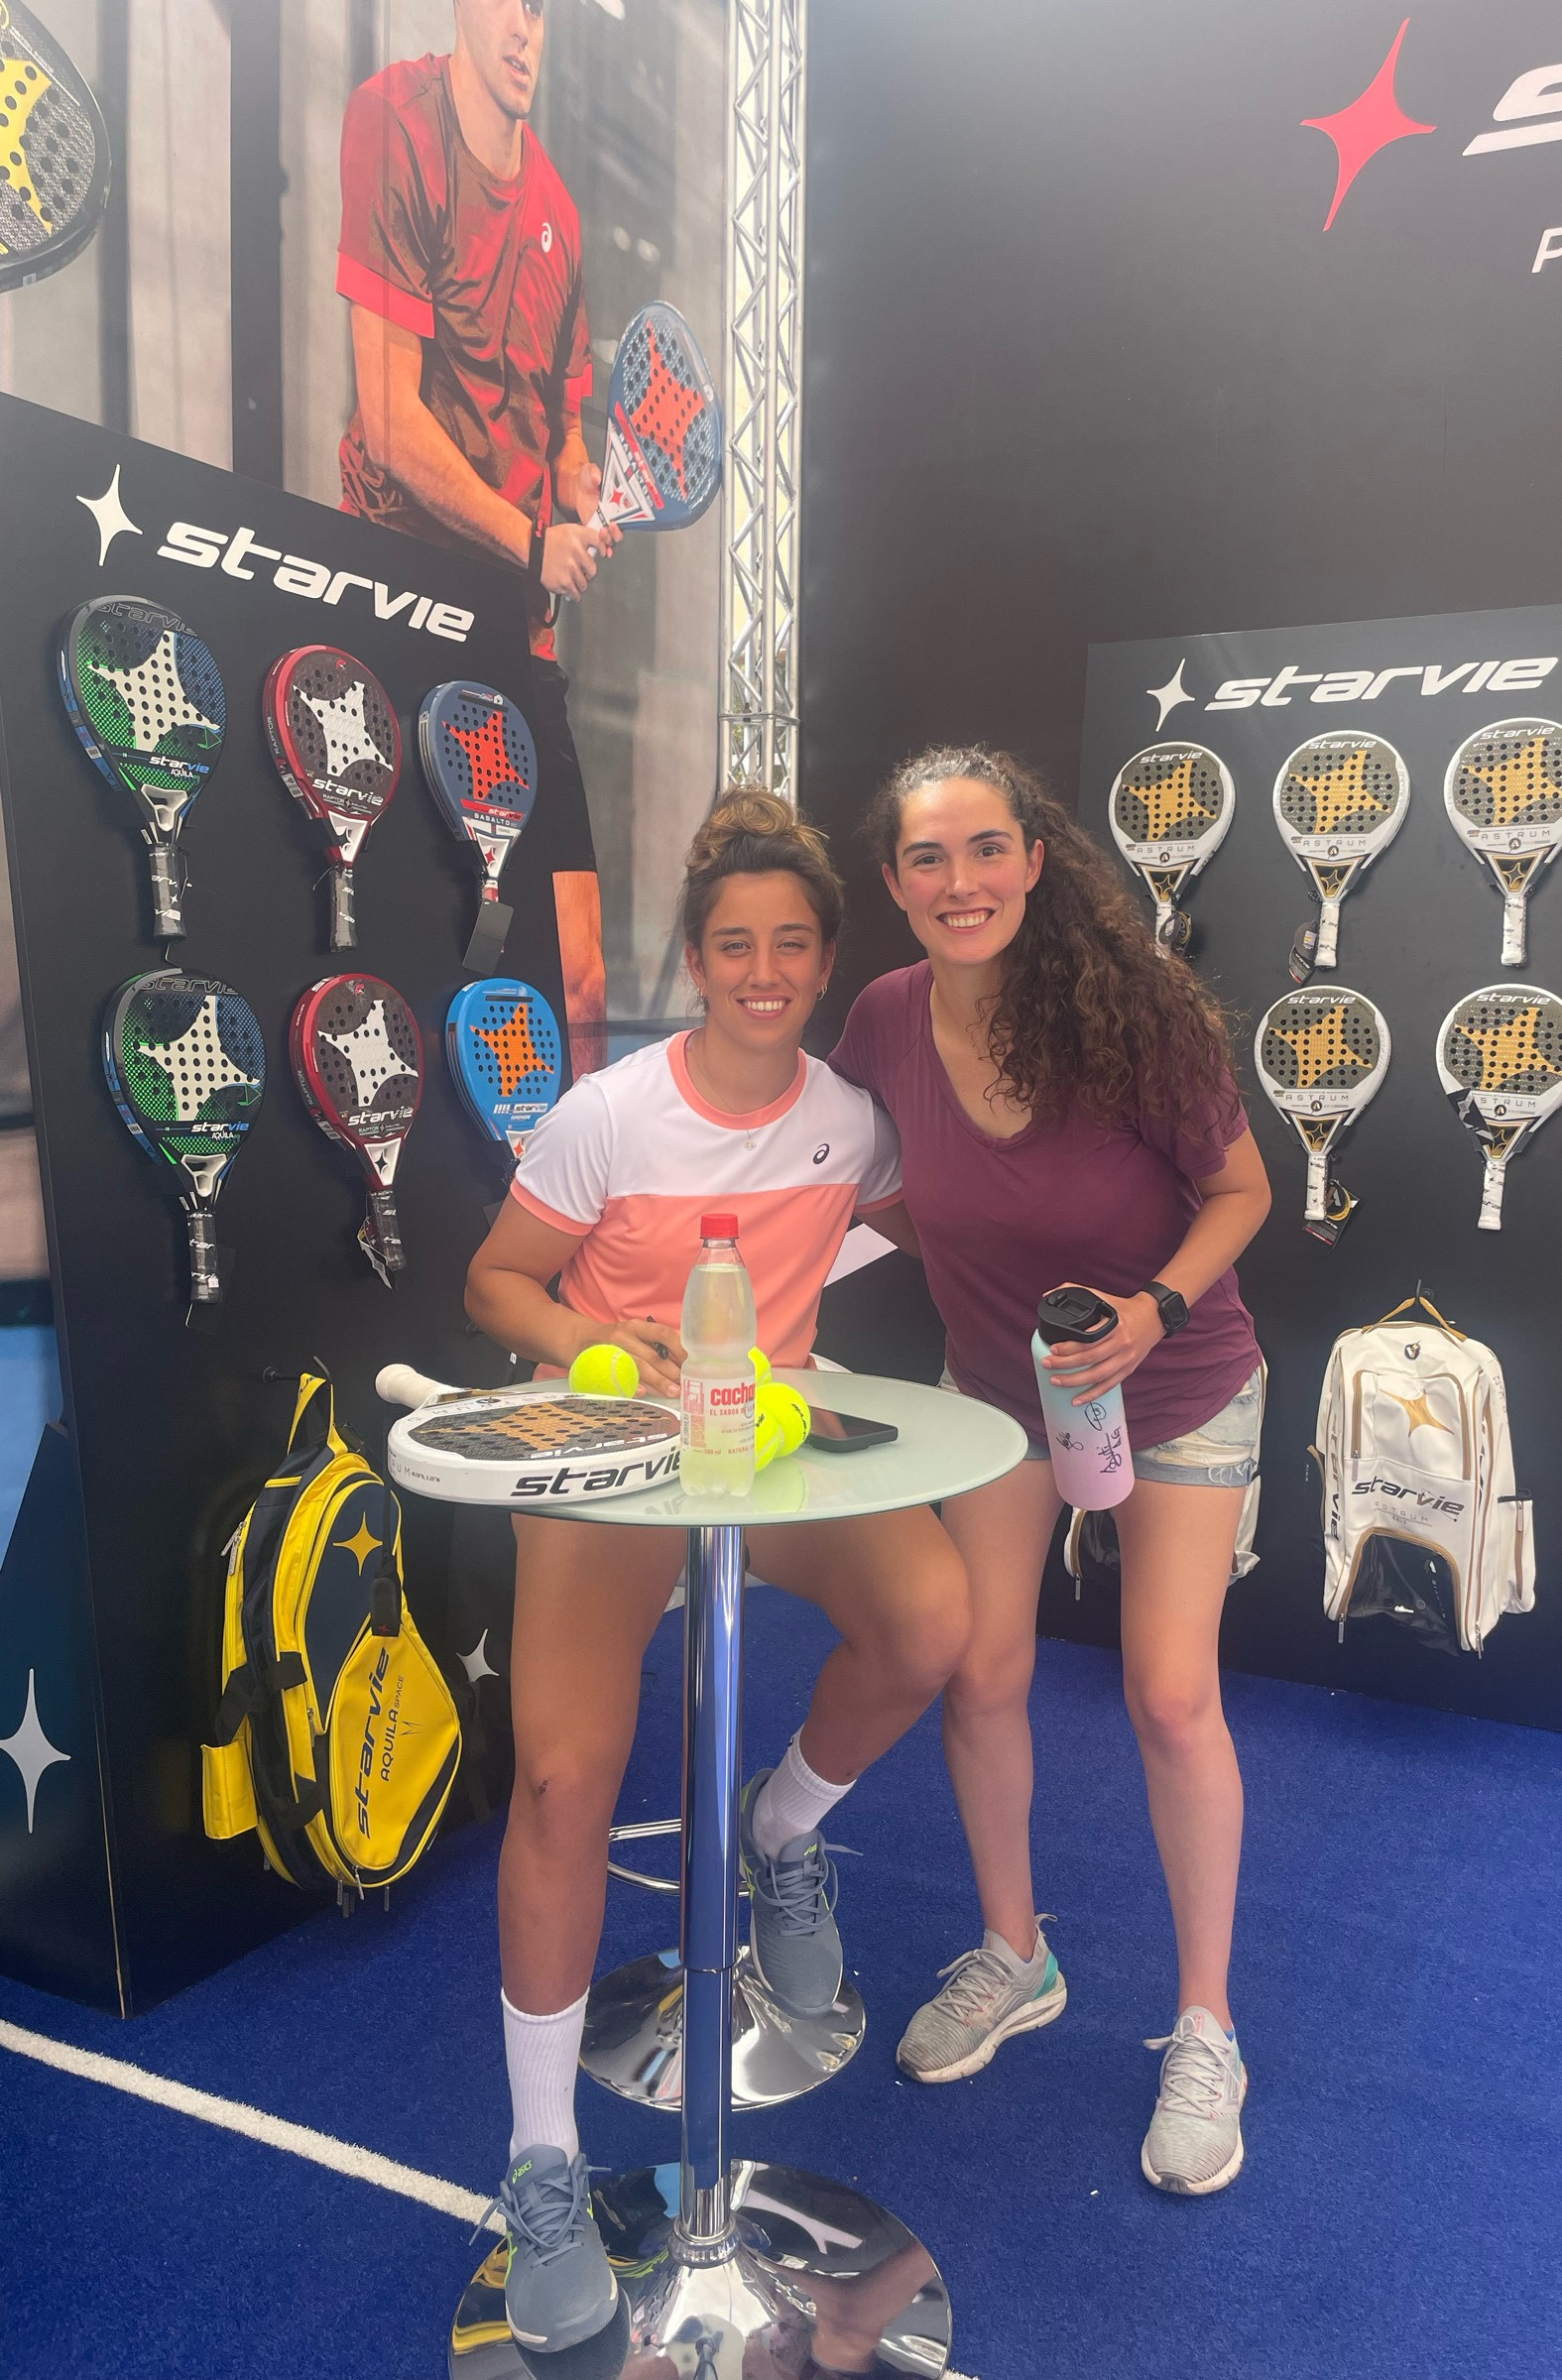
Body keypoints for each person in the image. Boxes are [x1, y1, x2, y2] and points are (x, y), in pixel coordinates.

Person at [463, 789, 971, 2351]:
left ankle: (782, 1827)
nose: (763, 971)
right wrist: (593, 1339)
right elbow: (496, 1282)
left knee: (930, 1619)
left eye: (791, 945)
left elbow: (948, 1225)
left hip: (760, 1452)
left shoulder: (851, 1120)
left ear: (824, 962)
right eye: (735, 945)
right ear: (696, 959)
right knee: (564, 1782)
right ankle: (542, 2165)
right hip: (609, 1472)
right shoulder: (608, 1113)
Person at [829, 746, 1272, 2198]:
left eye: (986, 850)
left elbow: (1243, 1189)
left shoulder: (1134, 1010)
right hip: (998, 1395)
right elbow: (846, 1168)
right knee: (982, 1670)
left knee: (1170, 1695)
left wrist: (1154, 1309)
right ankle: (1015, 1956)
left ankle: (1206, 2028)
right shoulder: (884, 1019)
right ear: (895, 882)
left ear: (1033, 859)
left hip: (1183, 1384)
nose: (960, 882)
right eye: (929, 858)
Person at [335, 0, 616, 815]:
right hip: (394, 600)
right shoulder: (394, 120)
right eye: (506, 2)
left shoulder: (560, 213)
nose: (525, 29)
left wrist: (580, 486)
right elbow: (389, 426)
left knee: (571, 905)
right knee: (389, 893)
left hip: (514, 629)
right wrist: (534, 545)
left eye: (540, 8)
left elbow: (563, 433)